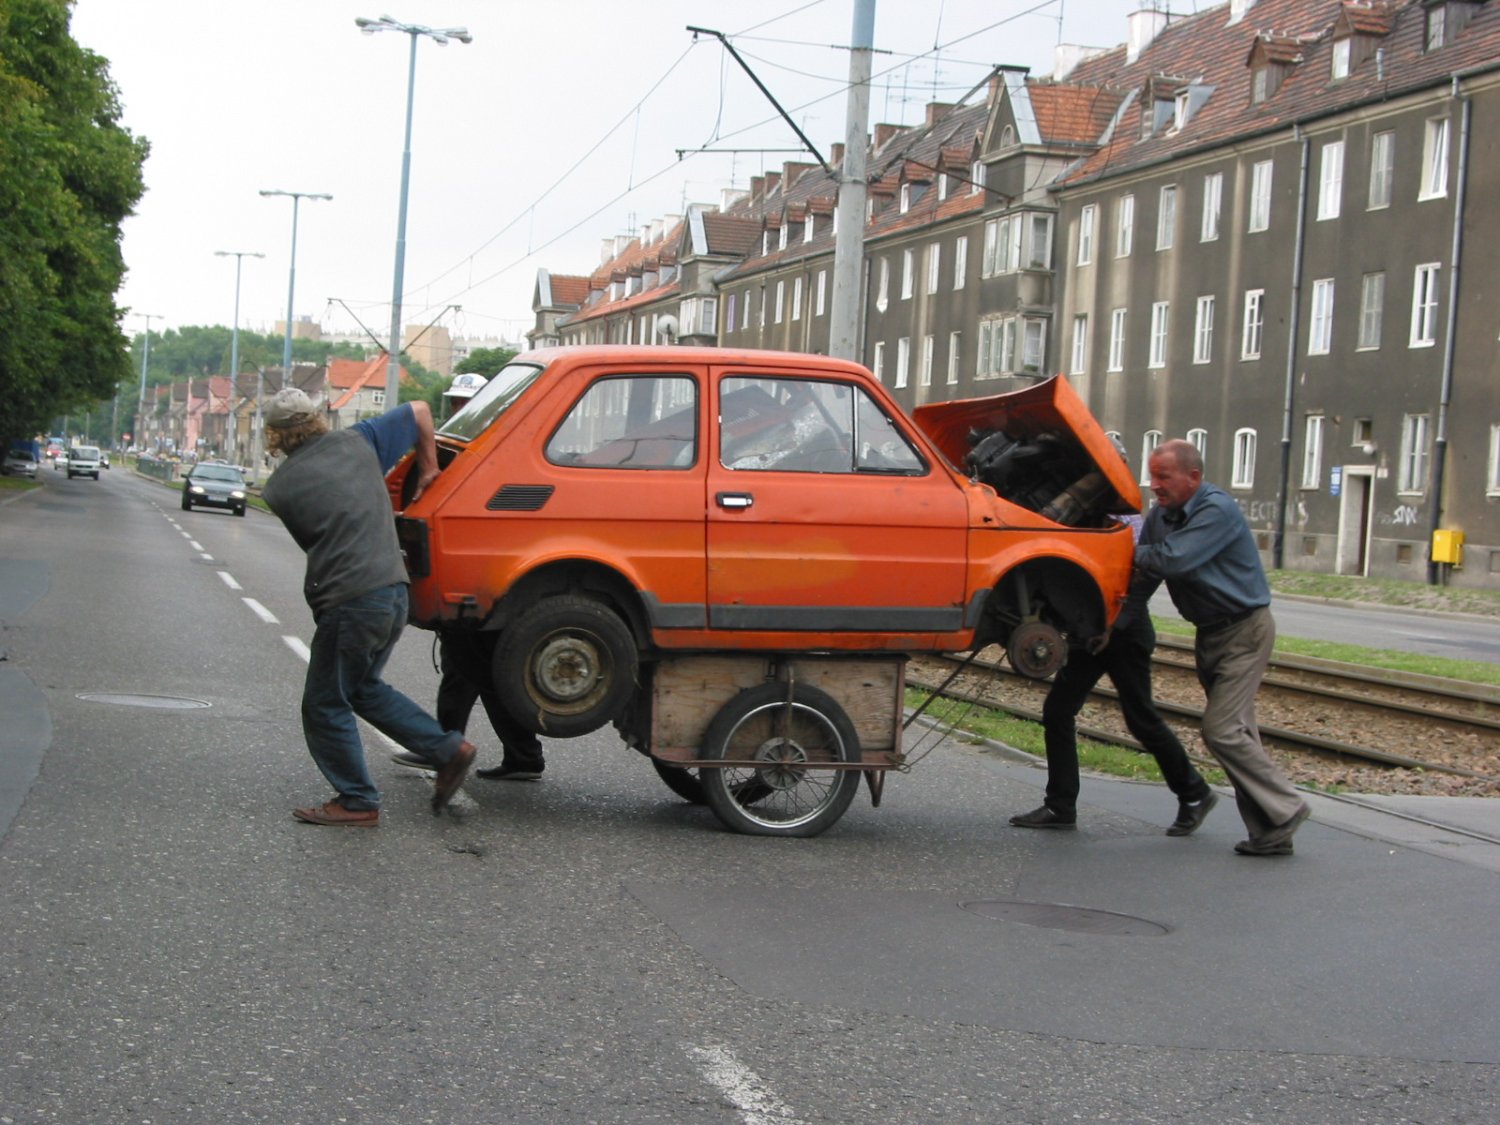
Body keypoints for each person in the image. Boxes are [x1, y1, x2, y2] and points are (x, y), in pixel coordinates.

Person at [260, 387, 475, 826]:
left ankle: (358, 800)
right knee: (361, 689)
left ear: (274, 436)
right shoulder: (360, 441)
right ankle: (448, 749)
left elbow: (318, 538)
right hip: (393, 590)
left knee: (324, 703)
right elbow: (420, 411)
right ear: (317, 417)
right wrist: (429, 468)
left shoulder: (279, 489)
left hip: (351, 600)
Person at [1133, 439, 1310, 856]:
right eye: (1152, 475)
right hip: (1210, 632)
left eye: (1163, 476)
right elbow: (1145, 578)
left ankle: (1287, 806)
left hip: (1244, 630)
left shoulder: (1217, 510)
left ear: (1193, 476)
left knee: (1222, 730)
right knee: (1240, 733)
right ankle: (1270, 832)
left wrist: (1125, 548)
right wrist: (1114, 621)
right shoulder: (1161, 516)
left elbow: (1173, 559)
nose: (1154, 485)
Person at [1009, 515, 1219, 836]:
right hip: (1090, 629)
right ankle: (1060, 806)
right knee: (1058, 710)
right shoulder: (1085, 516)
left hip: (1124, 632)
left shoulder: (1130, 522)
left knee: (1141, 718)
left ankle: (1195, 793)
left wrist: (1114, 624)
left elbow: (1143, 580)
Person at [391, 630, 547, 782]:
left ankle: (445, 751)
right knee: (487, 674)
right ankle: (524, 756)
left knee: (462, 669)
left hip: (472, 619)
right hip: (492, 619)